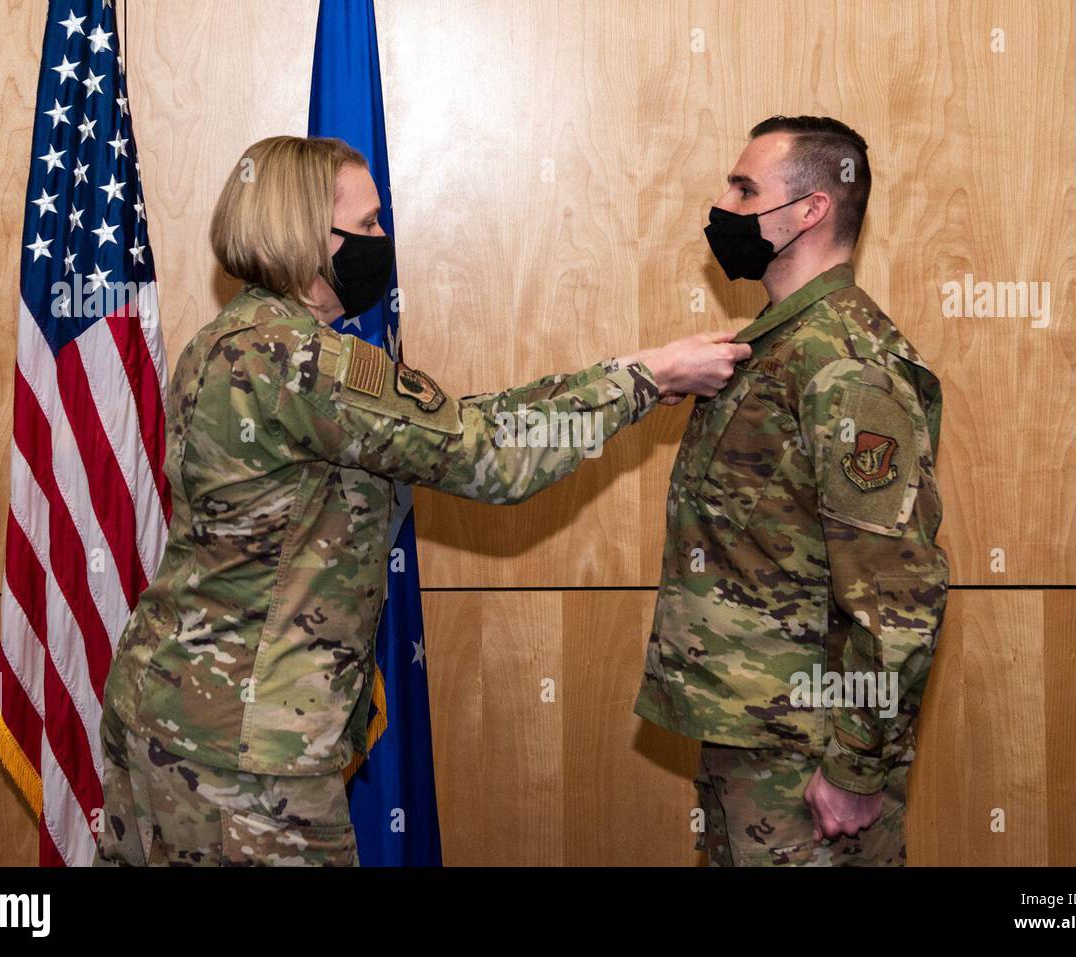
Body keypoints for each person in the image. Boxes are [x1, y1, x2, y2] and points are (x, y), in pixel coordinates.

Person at [91, 134, 747, 866]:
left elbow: (459, 421)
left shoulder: (227, 339)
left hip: (164, 708)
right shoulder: (307, 360)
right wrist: (649, 376)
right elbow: (485, 453)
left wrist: (631, 369)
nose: (381, 240)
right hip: (248, 751)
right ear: (307, 235)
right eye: (366, 225)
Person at [633, 115, 950, 866]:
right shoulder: (776, 345)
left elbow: (899, 592)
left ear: (810, 209)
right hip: (752, 742)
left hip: (811, 757)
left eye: (744, 188)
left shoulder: (844, 360)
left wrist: (856, 767)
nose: (723, 204)